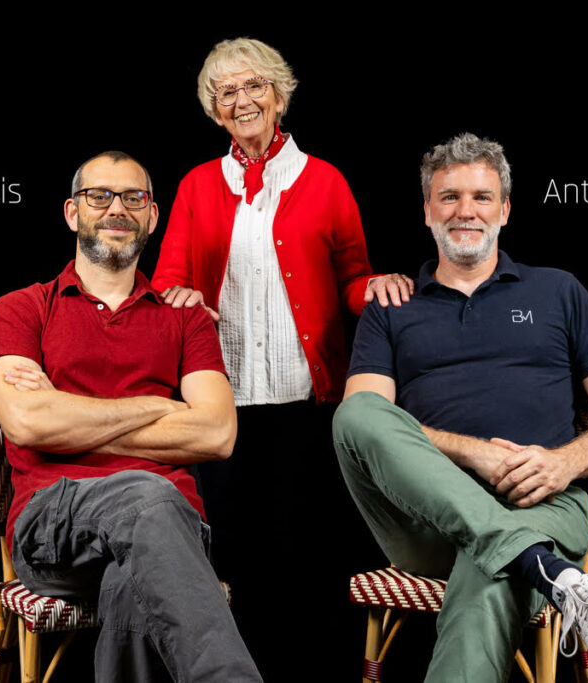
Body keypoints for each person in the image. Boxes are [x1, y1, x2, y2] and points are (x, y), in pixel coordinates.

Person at [333, 133, 588, 681]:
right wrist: (475, 454)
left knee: (491, 574)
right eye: (449, 197)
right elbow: (367, 425)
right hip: (424, 523)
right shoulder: (392, 305)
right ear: (427, 211)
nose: (466, 211)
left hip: (541, 504)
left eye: (482, 197)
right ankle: (547, 569)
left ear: (504, 210)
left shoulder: (558, 291)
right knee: (354, 412)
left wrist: (566, 463)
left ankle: (531, 560)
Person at [150, 37, 413, 677]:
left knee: (305, 556)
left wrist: (376, 286)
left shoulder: (325, 180)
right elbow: (166, 284)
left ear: (279, 95)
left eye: (254, 86)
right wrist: (181, 296)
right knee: (229, 561)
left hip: (307, 402)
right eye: (226, 92)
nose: (242, 100)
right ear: (215, 110)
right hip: (223, 406)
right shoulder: (195, 185)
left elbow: (352, 279)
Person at [0, 151, 262, 682]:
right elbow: (28, 424)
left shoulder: (187, 320)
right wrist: (159, 407)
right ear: (72, 213)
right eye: (99, 196)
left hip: (170, 534)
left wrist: (70, 420)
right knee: (148, 493)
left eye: (134, 198)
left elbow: (218, 434)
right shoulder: (20, 309)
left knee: (134, 583)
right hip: (53, 526)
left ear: (152, 217)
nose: (117, 209)